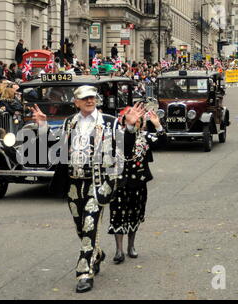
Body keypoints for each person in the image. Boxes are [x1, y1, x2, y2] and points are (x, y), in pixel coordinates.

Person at [31, 85, 144, 293]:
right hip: (74, 182)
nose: (90, 101)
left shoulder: (109, 122)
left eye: (92, 97)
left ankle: (84, 272)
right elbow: (57, 149)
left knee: (90, 224)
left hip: (98, 182)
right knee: (81, 227)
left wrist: (129, 127)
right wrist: (43, 127)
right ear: (76, 102)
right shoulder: (69, 122)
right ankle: (97, 254)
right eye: (85, 98)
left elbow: (126, 148)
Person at [109, 105, 166, 264]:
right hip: (119, 182)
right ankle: (119, 250)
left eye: (139, 119)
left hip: (138, 182)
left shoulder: (146, 136)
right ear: (123, 120)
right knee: (118, 215)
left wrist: (158, 125)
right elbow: (124, 147)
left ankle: (131, 246)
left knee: (135, 214)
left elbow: (162, 143)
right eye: (131, 118)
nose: (136, 121)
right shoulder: (116, 135)